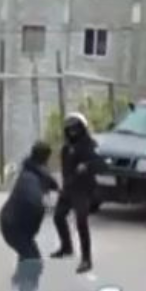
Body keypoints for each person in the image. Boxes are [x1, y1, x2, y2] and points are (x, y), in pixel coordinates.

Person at [51, 112, 102, 274]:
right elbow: (65, 169)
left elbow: (101, 164)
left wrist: (86, 166)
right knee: (58, 216)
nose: (72, 132)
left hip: (83, 190)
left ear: (82, 129)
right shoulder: (66, 148)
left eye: (75, 129)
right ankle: (66, 247)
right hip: (68, 188)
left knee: (81, 221)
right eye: (69, 130)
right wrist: (62, 185)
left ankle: (86, 259)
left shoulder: (90, 145)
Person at [0, 141, 58, 263]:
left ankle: (21, 277)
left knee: (27, 254)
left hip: (12, 223)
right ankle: (24, 280)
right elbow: (33, 198)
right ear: (46, 158)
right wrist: (45, 206)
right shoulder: (31, 178)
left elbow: (53, 184)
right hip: (15, 228)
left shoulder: (31, 169)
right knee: (34, 261)